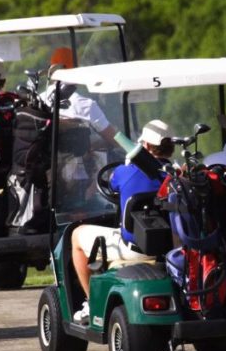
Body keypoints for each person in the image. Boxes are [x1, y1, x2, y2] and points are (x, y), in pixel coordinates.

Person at [70, 119, 173, 323]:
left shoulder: (125, 171)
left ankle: (91, 303)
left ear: (145, 145)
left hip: (135, 248)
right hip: (168, 246)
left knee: (76, 236)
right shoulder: (176, 174)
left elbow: (112, 186)